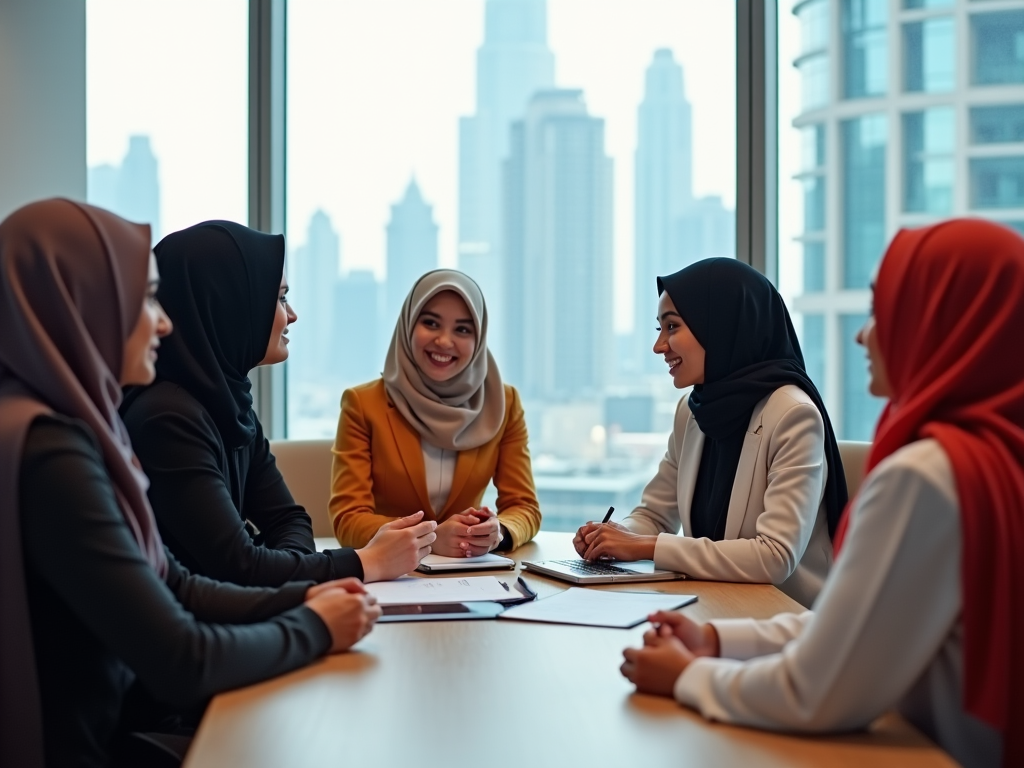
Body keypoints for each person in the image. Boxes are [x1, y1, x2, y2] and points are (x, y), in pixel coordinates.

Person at [620, 220, 1024, 768]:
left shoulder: (927, 476)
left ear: (941, 324)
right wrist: (717, 640)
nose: (863, 335)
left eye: (886, 310)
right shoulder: (996, 462)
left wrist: (690, 676)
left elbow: (821, 692)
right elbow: (858, 625)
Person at [0, 200, 381, 768]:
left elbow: (173, 582)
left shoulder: (74, 427)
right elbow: (181, 658)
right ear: (83, 303)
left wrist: (309, 593)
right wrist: (314, 626)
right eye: (145, 298)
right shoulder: (54, 451)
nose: (164, 320)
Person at [121, 222, 435, 586]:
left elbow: (290, 520)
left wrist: (287, 569)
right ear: (230, 304)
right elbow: (240, 567)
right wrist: (366, 563)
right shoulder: (167, 419)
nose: (293, 315)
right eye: (281, 297)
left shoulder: (229, 406)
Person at [575, 258, 846, 607]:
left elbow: (775, 556)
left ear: (719, 326)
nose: (659, 345)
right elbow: (656, 515)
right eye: (659, 329)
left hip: (781, 620)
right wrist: (613, 536)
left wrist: (643, 547)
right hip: (711, 605)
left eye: (672, 327)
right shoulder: (692, 409)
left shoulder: (794, 415)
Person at [330, 269, 540, 556]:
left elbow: (524, 507)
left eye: (463, 330)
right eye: (430, 323)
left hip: (471, 578)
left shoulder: (503, 403)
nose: (444, 341)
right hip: (390, 577)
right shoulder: (363, 404)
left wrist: (497, 532)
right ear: (407, 325)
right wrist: (429, 537)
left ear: (478, 340)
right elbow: (348, 520)